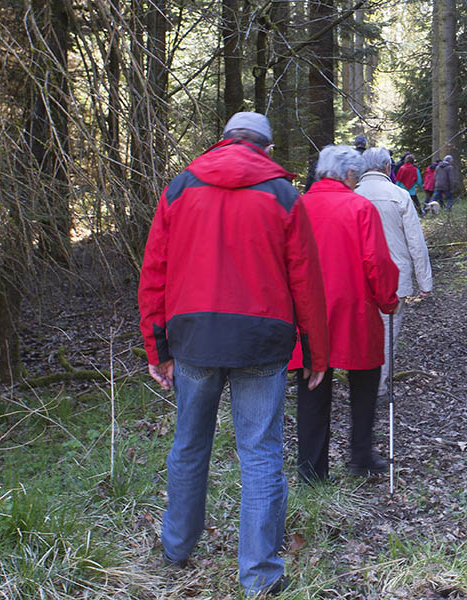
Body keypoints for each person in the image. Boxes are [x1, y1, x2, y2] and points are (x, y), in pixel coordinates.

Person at [138, 112, 330, 596]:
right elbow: (305, 280)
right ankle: (260, 578)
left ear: (222, 141)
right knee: (261, 455)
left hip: (193, 338)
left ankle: (177, 547)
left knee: (188, 444)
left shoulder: (180, 189)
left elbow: (154, 273)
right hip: (262, 341)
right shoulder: (284, 194)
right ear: (265, 149)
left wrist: (157, 347)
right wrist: (316, 353)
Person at [289, 145, 400, 483]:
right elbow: (376, 262)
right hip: (354, 310)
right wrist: (388, 300)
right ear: (350, 175)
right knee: (364, 384)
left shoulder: (297, 206)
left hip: (307, 314)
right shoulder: (358, 207)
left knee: (312, 390)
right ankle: (361, 454)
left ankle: (311, 470)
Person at [356, 148, 433, 400]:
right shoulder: (399, 196)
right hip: (394, 277)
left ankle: (364, 379)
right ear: (388, 167)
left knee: (361, 328)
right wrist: (424, 282)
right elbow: (415, 242)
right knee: (389, 330)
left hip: (359, 277)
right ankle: (378, 384)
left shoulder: (352, 195)